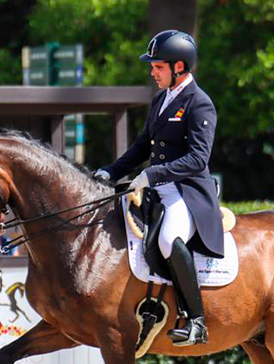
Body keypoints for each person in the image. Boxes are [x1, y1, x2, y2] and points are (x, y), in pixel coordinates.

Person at [95, 29, 223, 346]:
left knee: (169, 239)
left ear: (179, 67)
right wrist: (109, 172)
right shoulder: (161, 100)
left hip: (187, 192)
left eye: (158, 67)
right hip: (157, 189)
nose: (152, 72)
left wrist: (152, 175)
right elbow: (141, 147)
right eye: (152, 67)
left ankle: (196, 321)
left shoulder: (199, 104)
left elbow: (197, 158)